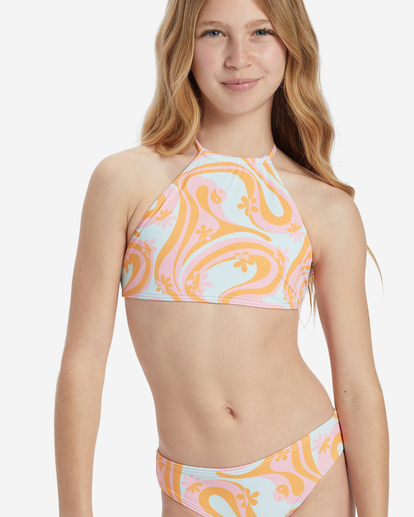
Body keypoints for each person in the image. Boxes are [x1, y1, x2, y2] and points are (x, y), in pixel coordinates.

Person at [54, 0, 389, 516]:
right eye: (213, 33)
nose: (238, 57)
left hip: (308, 470)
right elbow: (84, 361)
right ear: (182, 46)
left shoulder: (324, 207)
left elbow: (357, 385)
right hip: (191, 486)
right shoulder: (125, 182)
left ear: (291, 46)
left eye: (261, 32)